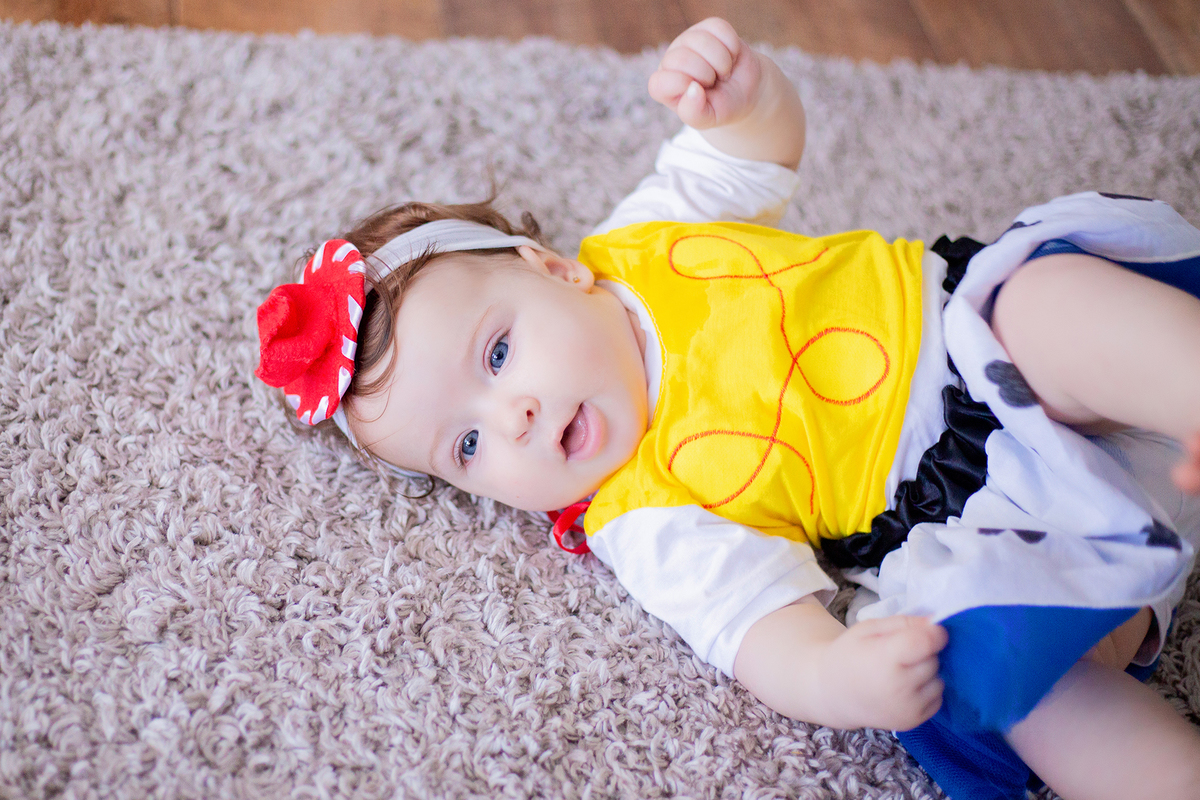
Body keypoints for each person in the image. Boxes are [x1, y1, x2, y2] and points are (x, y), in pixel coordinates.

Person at [255, 17, 1200, 800]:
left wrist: (744, 98)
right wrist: (841, 679)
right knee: (1015, 674)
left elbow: (753, 156)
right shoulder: (644, 515)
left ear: (556, 270)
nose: (514, 418)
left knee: (1051, 302)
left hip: (975, 339)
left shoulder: (642, 237)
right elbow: (762, 635)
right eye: (465, 444)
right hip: (1006, 527)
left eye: (499, 354)